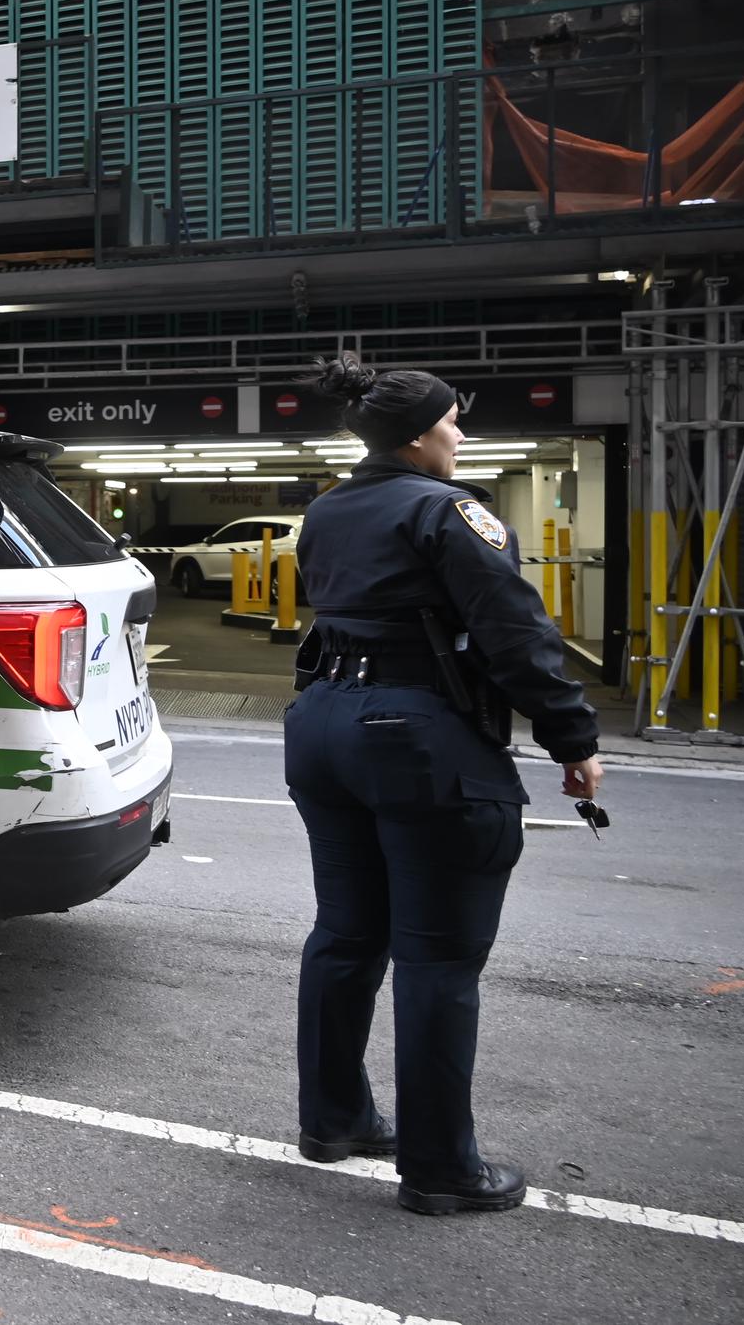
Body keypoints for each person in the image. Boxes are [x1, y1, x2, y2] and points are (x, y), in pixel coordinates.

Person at [286, 352, 603, 1216]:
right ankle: (439, 1168)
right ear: (423, 435)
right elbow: (515, 633)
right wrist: (572, 737)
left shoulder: (325, 512)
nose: (461, 435)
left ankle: (335, 1120)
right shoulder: (448, 512)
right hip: (415, 737)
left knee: (347, 934)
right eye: (454, 422)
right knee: (437, 956)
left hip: (320, 726)